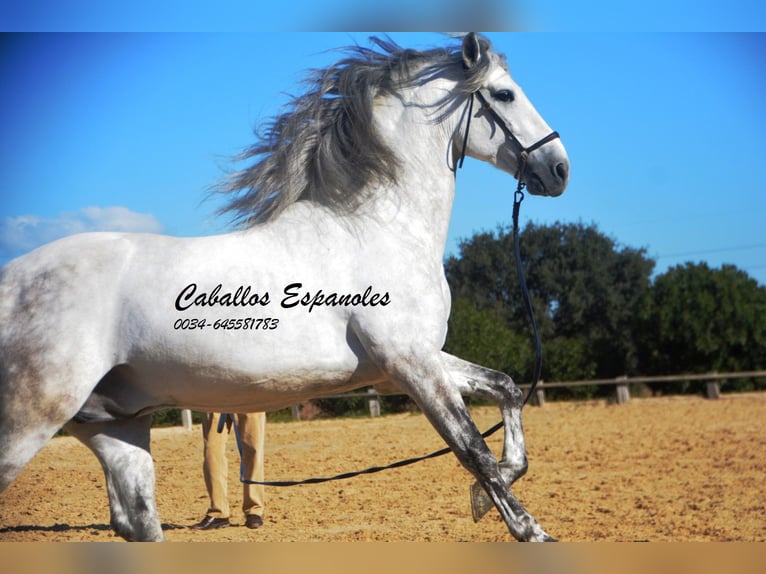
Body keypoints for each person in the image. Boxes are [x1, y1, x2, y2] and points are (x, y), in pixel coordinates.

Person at [190, 411, 266, 530]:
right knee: (212, 450)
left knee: (253, 449)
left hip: (249, 396)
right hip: (215, 397)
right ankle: (218, 511)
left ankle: (254, 510)